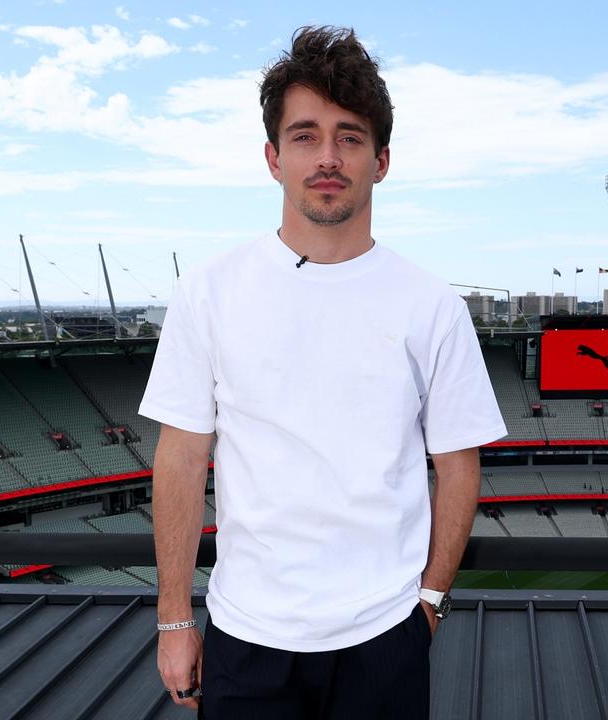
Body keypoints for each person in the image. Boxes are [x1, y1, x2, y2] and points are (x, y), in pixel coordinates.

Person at [139, 25, 507, 719]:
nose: (328, 157)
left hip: (384, 637)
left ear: (382, 160)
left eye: (350, 136)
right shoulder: (208, 291)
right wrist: (173, 620)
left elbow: (458, 465)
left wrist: (427, 604)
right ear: (274, 158)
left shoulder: (430, 304)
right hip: (247, 636)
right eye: (306, 136)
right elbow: (182, 459)